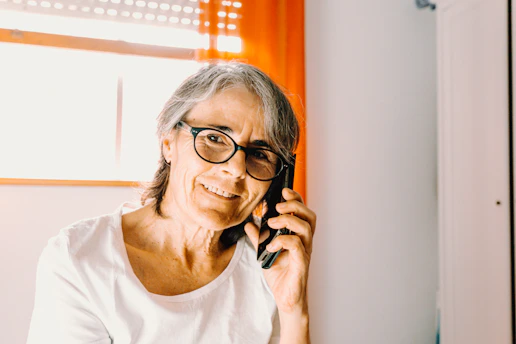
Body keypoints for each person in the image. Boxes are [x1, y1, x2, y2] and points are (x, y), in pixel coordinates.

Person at [27, 62, 316, 343]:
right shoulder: (81, 258)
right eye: (214, 138)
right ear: (168, 143)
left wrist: (294, 311)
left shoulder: (267, 266)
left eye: (260, 154)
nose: (237, 169)